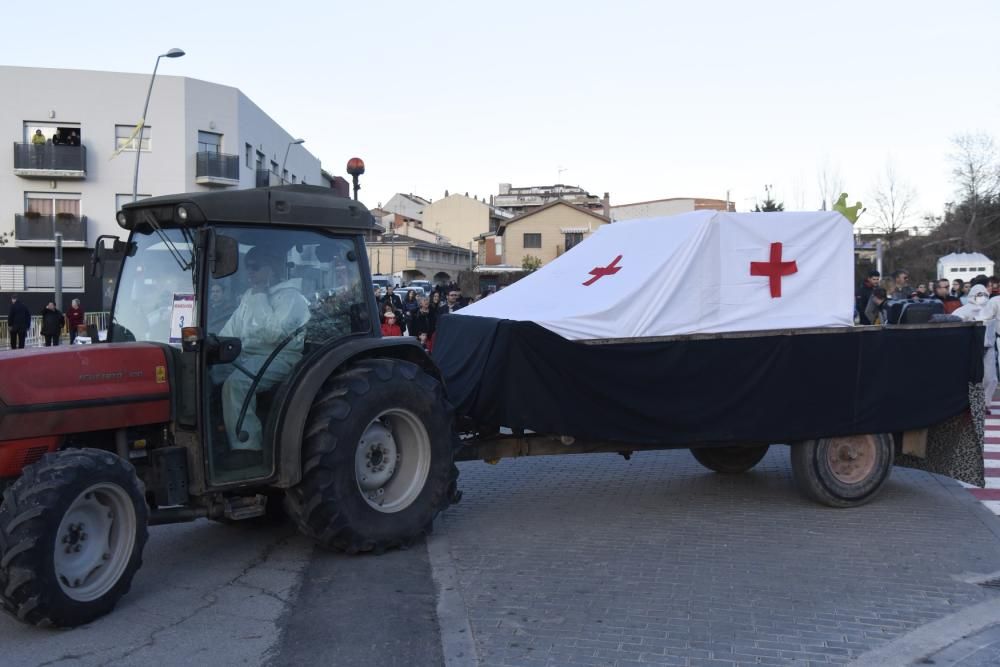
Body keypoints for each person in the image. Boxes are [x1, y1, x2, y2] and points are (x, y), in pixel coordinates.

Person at [218, 247, 310, 469]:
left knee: (237, 384)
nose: (250, 273)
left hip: (280, 358)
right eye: (248, 268)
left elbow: (273, 334)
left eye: (256, 268)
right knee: (213, 372)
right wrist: (216, 345)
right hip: (249, 355)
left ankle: (248, 448)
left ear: (272, 268)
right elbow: (233, 328)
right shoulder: (250, 296)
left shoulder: (291, 298)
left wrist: (260, 297)